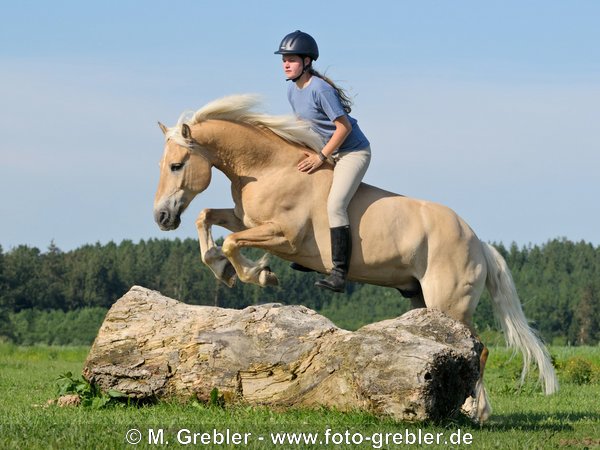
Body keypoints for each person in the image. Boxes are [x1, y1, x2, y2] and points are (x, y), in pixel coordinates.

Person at [274, 30, 371, 293]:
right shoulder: (293, 90)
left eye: (291, 59)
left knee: (336, 204)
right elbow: (303, 126)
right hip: (328, 150)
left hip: (352, 152)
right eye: (284, 59)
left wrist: (321, 156)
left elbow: (343, 129)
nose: (285, 63)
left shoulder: (320, 89)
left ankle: (339, 272)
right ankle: (311, 257)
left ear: (307, 62)